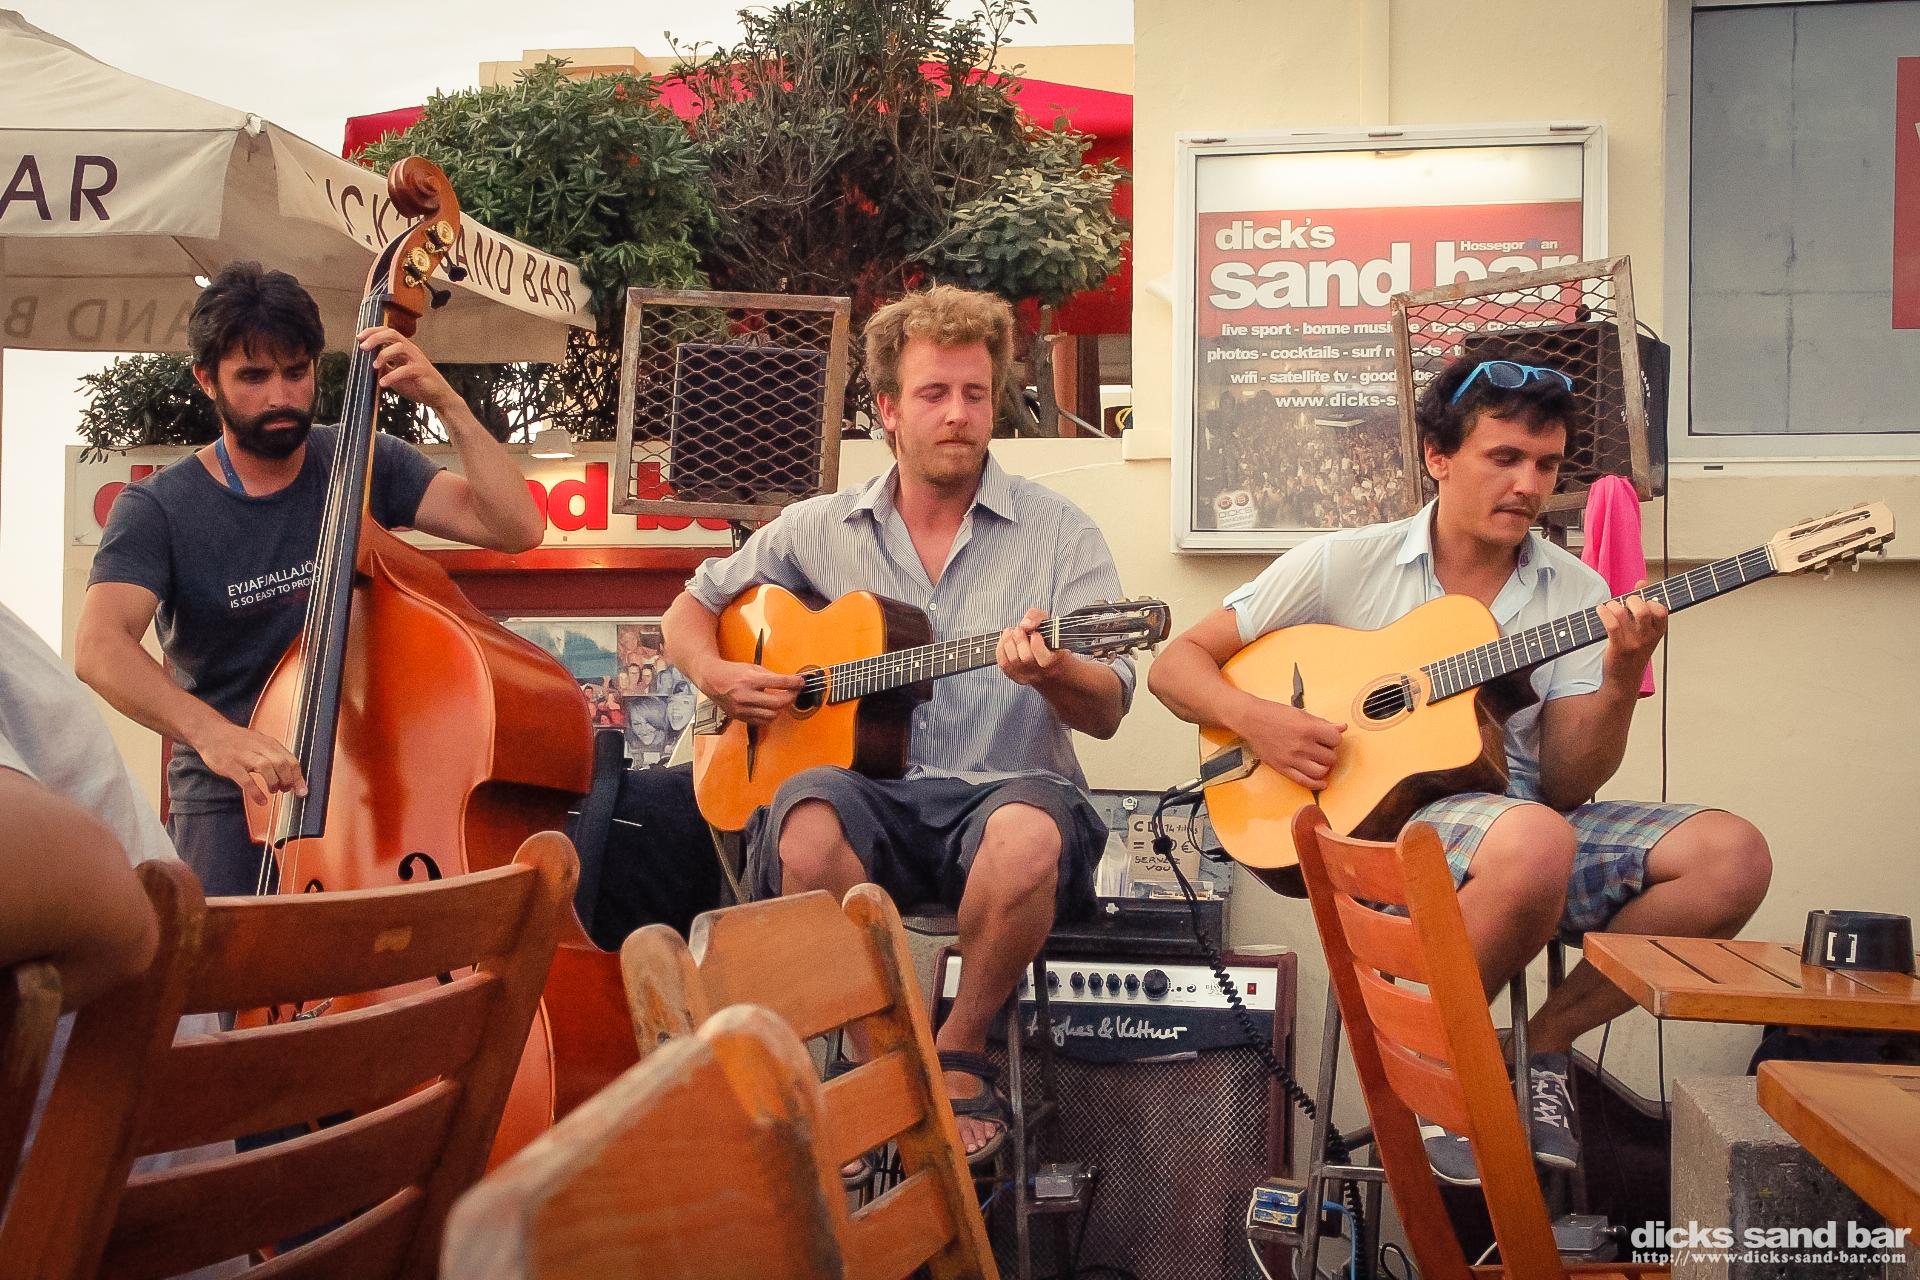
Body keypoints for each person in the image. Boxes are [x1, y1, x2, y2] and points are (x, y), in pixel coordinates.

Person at [1147, 353, 1772, 1184]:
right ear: (1438, 457)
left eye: (1545, 465)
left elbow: (1567, 783)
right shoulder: (1344, 563)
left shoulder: (1576, 591)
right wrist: (1263, 721)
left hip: (1522, 831)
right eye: (1504, 458)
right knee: (1535, 840)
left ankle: (1540, 1044)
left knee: (1731, 856)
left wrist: (1622, 672)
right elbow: (1175, 667)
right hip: (1384, 832)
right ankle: (1437, 1058)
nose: (1527, 485)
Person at [661, 284, 1135, 1165]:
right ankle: (885, 1049)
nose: (958, 415)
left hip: (1006, 796)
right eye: (934, 394)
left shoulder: (1061, 533)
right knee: (804, 826)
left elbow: (1108, 706)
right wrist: (718, 674)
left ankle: (957, 1048)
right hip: (872, 801)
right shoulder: (817, 528)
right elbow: (690, 608)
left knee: (1028, 833)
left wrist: (1057, 671)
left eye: (976, 394)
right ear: (887, 409)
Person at [74, 261, 545, 901]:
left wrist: (449, 406)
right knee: (231, 965)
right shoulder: (158, 509)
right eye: (253, 377)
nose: (280, 396)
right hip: (231, 799)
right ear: (206, 380)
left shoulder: (360, 459)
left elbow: (516, 527)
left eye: (296, 372)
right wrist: (214, 735)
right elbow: (100, 646)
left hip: (364, 794)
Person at [1, 601, 244, 1277]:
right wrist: (216, 734)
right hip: (219, 792)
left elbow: (108, 903)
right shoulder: (159, 527)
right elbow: (99, 645)